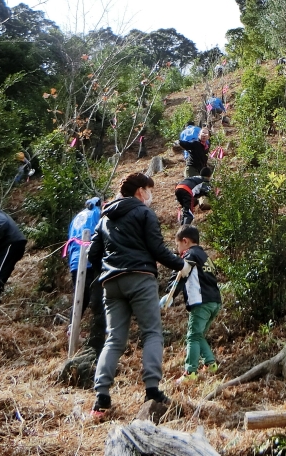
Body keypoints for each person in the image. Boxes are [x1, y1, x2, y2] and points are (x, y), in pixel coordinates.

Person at [88, 173, 191, 418]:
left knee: (113, 339)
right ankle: (152, 390)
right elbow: (157, 249)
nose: (149, 195)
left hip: (111, 283)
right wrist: (181, 265)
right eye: (148, 189)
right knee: (152, 333)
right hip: (140, 277)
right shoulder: (144, 213)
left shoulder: (104, 218)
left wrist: (110, 266)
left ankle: (101, 398)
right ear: (139, 192)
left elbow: (93, 254)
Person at [164, 224, 221, 382]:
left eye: (178, 245)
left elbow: (181, 274)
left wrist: (170, 295)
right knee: (199, 335)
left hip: (201, 302)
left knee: (192, 336)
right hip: (214, 302)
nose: (178, 249)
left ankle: (190, 372)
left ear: (185, 241)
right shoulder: (205, 256)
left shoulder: (189, 254)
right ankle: (210, 364)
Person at [65, 197, 105, 354]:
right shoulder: (96, 213)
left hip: (75, 259)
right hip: (89, 259)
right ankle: (96, 333)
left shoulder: (78, 216)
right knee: (95, 297)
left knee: (80, 296)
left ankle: (71, 329)